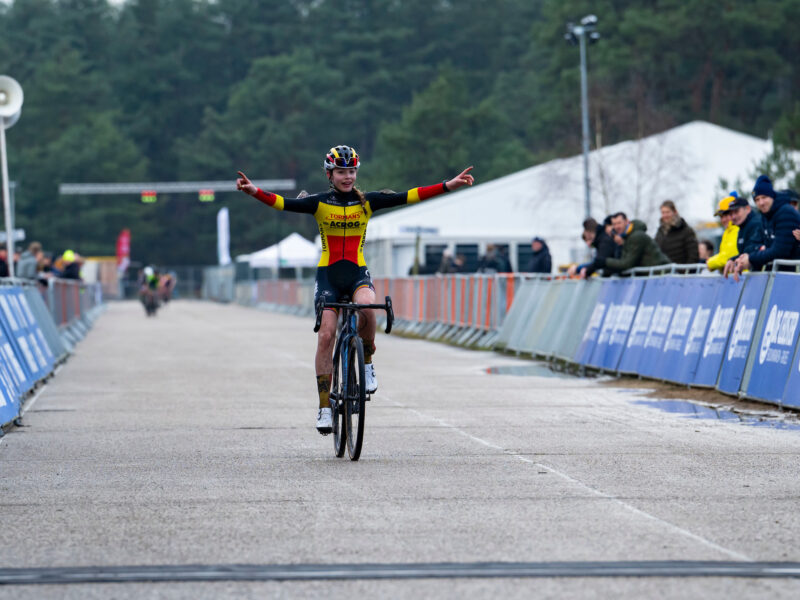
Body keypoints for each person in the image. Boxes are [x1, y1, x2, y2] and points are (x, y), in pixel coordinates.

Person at [237, 145, 474, 434]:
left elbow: (410, 195)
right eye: (341, 171)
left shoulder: (368, 202)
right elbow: (281, 202)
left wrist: (448, 185)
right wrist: (254, 191)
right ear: (330, 174)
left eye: (351, 171)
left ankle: (368, 362)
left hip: (357, 272)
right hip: (328, 276)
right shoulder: (318, 202)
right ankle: (325, 407)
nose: (347, 176)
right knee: (326, 335)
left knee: (368, 307)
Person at [729, 176, 800, 279]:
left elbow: (780, 251)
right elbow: (751, 246)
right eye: (757, 199)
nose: (761, 203)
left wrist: (751, 258)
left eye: (764, 197)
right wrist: (735, 260)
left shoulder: (786, 213)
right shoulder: (764, 216)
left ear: (772, 196)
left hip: (792, 278)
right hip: (776, 277)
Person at [596, 212, 669, 274]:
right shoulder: (625, 237)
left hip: (662, 274)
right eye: (614, 224)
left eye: (619, 223)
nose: (617, 226)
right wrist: (620, 244)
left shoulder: (636, 236)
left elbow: (627, 264)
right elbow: (622, 260)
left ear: (627, 221)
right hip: (654, 276)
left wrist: (605, 261)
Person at [706, 193, 740, 272]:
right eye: (721, 217)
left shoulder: (737, 230)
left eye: (726, 215)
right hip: (734, 279)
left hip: (743, 279)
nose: (723, 220)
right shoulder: (727, 232)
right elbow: (724, 256)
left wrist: (710, 262)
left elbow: (729, 256)